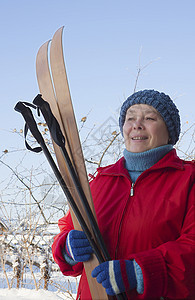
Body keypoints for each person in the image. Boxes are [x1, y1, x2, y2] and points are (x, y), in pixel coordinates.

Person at [52, 90, 195, 299]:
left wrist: (141, 272)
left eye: (149, 118)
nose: (137, 124)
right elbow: (68, 226)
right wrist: (66, 249)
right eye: (130, 118)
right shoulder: (99, 181)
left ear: (169, 132)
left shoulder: (188, 180)